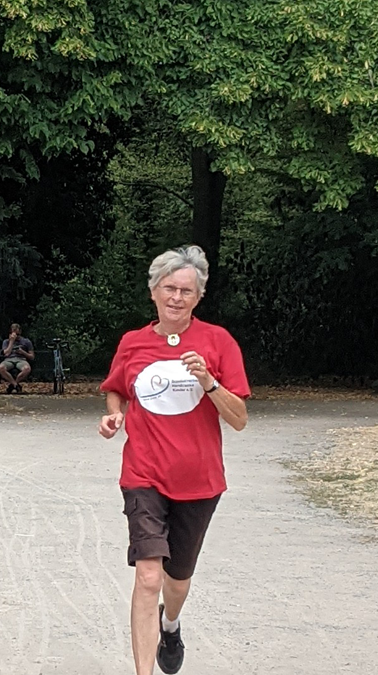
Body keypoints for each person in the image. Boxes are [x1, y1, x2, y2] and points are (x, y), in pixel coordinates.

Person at [98, 245, 249, 675]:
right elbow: (117, 389)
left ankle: (171, 622)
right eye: (169, 288)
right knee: (147, 576)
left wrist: (208, 381)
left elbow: (239, 419)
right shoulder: (132, 343)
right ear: (154, 291)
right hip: (143, 474)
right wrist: (114, 415)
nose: (177, 297)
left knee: (176, 580)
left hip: (199, 480)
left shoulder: (218, 342)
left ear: (198, 297)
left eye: (186, 290)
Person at [0, 323, 34, 393]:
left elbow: (32, 356)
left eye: (17, 334)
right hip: (9, 359)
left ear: (20, 332)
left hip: (21, 359)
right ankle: (15, 385)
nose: (16, 336)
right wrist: (11, 342)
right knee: (0, 368)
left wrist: (22, 352)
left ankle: (13, 385)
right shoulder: (6, 341)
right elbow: (6, 353)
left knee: (27, 369)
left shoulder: (26, 341)